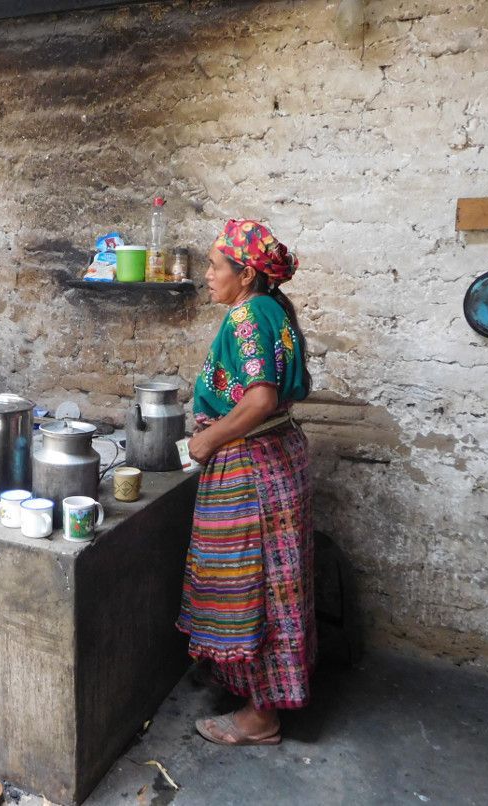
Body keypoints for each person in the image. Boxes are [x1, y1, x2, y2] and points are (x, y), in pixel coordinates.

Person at [177, 218, 314, 746]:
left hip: (251, 467)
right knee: (274, 584)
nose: (208, 275)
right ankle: (258, 692)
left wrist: (208, 440)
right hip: (277, 457)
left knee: (251, 586)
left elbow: (259, 399)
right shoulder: (272, 308)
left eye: (215, 266)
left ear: (246, 273)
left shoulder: (247, 315)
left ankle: (261, 717)